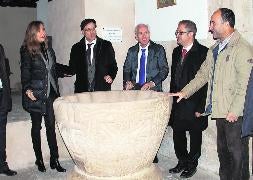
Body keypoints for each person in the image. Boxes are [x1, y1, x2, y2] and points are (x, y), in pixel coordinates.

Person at [169, 8, 253, 180]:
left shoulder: (242, 48)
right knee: (224, 155)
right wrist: (184, 92)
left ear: (226, 23)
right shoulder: (214, 49)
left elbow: (245, 84)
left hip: (235, 114)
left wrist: (235, 111)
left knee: (238, 158)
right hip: (220, 111)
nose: (210, 27)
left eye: (213, 22)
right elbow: (202, 76)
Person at [20, 21, 67, 173]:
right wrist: (27, 89)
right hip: (36, 94)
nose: (43, 32)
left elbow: (52, 69)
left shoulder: (49, 49)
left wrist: (69, 69)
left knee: (51, 127)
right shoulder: (26, 50)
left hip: (50, 94)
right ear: (33, 33)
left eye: (44, 29)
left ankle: (55, 159)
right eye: (40, 30)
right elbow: (25, 72)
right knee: (36, 127)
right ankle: (39, 159)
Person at [123, 23, 169, 163]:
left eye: (147, 32)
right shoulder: (131, 51)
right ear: (136, 36)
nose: (144, 36)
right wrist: (127, 81)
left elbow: (164, 70)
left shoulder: (158, 49)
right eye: (141, 33)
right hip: (136, 91)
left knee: (151, 124)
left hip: (152, 91)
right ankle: (138, 151)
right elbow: (126, 69)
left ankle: (151, 153)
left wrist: (152, 83)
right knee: (137, 123)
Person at [168, 20, 208, 178]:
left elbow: (206, 83)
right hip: (178, 102)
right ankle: (182, 161)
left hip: (194, 104)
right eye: (177, 32)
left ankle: (192, 165)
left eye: (180, 32)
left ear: (191, 34)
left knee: (195, 136)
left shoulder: (203, 53)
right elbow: (174, 78)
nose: (177, 35)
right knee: (178, 134)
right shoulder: (176, 52)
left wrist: (202, 107)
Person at [69, 18, 118, 93]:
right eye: (88, 30)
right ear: (82, 32)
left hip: (101, 89)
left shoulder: (106, 45)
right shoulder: (76, 48)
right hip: (82, 91)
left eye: (93, 29)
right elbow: (72, 69)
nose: (92, 32)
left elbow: (113, 66)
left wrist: (111, 76)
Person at [0, 44, 17, 176]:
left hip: (1, 95)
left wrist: (7, 96)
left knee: (1, 133)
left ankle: (2, 164)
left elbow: (4, 73)